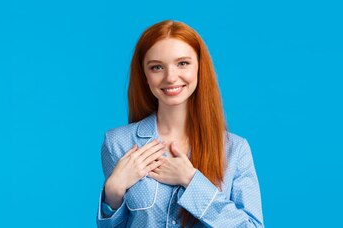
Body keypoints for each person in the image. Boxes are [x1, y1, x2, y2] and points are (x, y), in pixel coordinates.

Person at [96, 20, 264, 227]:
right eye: (157, 67)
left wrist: (192, 181)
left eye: (182, 63)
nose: (170, 77)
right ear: (145, 75)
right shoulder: (118, 143)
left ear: (200, 68)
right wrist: (113, 193)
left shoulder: (235, 150)